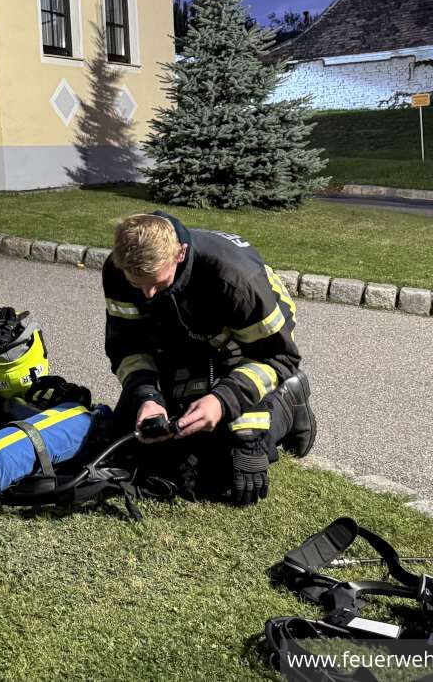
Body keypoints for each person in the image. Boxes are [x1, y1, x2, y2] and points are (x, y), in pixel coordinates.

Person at [102, 211, 317, 506]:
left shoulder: (236, 281)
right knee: (139, 453)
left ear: (181, 254)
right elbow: (128, 347)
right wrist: (148, 397)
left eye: (156, 282)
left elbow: (277, 357)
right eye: (138, 284)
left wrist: (226, 407)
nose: (148, 294)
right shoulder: (119, 270)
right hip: (182, 333)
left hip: (253, 340)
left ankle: (288, 401)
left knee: (225, 466)